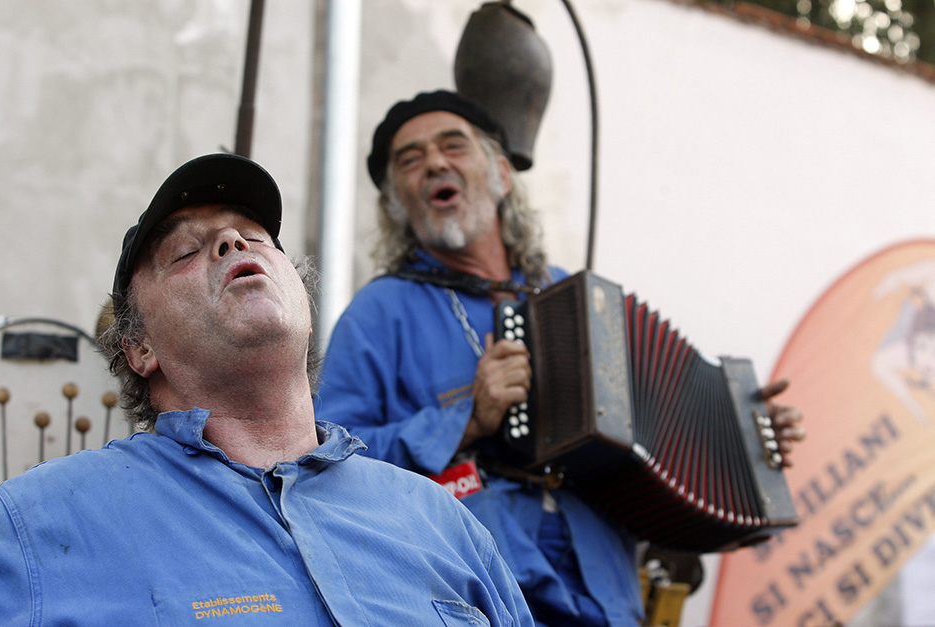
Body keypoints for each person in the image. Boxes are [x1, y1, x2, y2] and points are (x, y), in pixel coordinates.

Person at [314, 90, 806, 626]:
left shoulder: (573, 297)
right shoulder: (378, 312)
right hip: (473, 593)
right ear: (396, 203)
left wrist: (744, 441)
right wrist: (466, 421)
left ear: (502, 174)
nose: (434, 162)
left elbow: (657, 423)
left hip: (608, 592)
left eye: (453, 146)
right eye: (409, 160)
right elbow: (328, 467)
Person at [0, 153, 534, 626]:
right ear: (138, 347)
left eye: (254, 238)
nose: (232, 241)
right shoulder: (30, 527)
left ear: (303, 296)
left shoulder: (443, 525)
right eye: (184, 252)